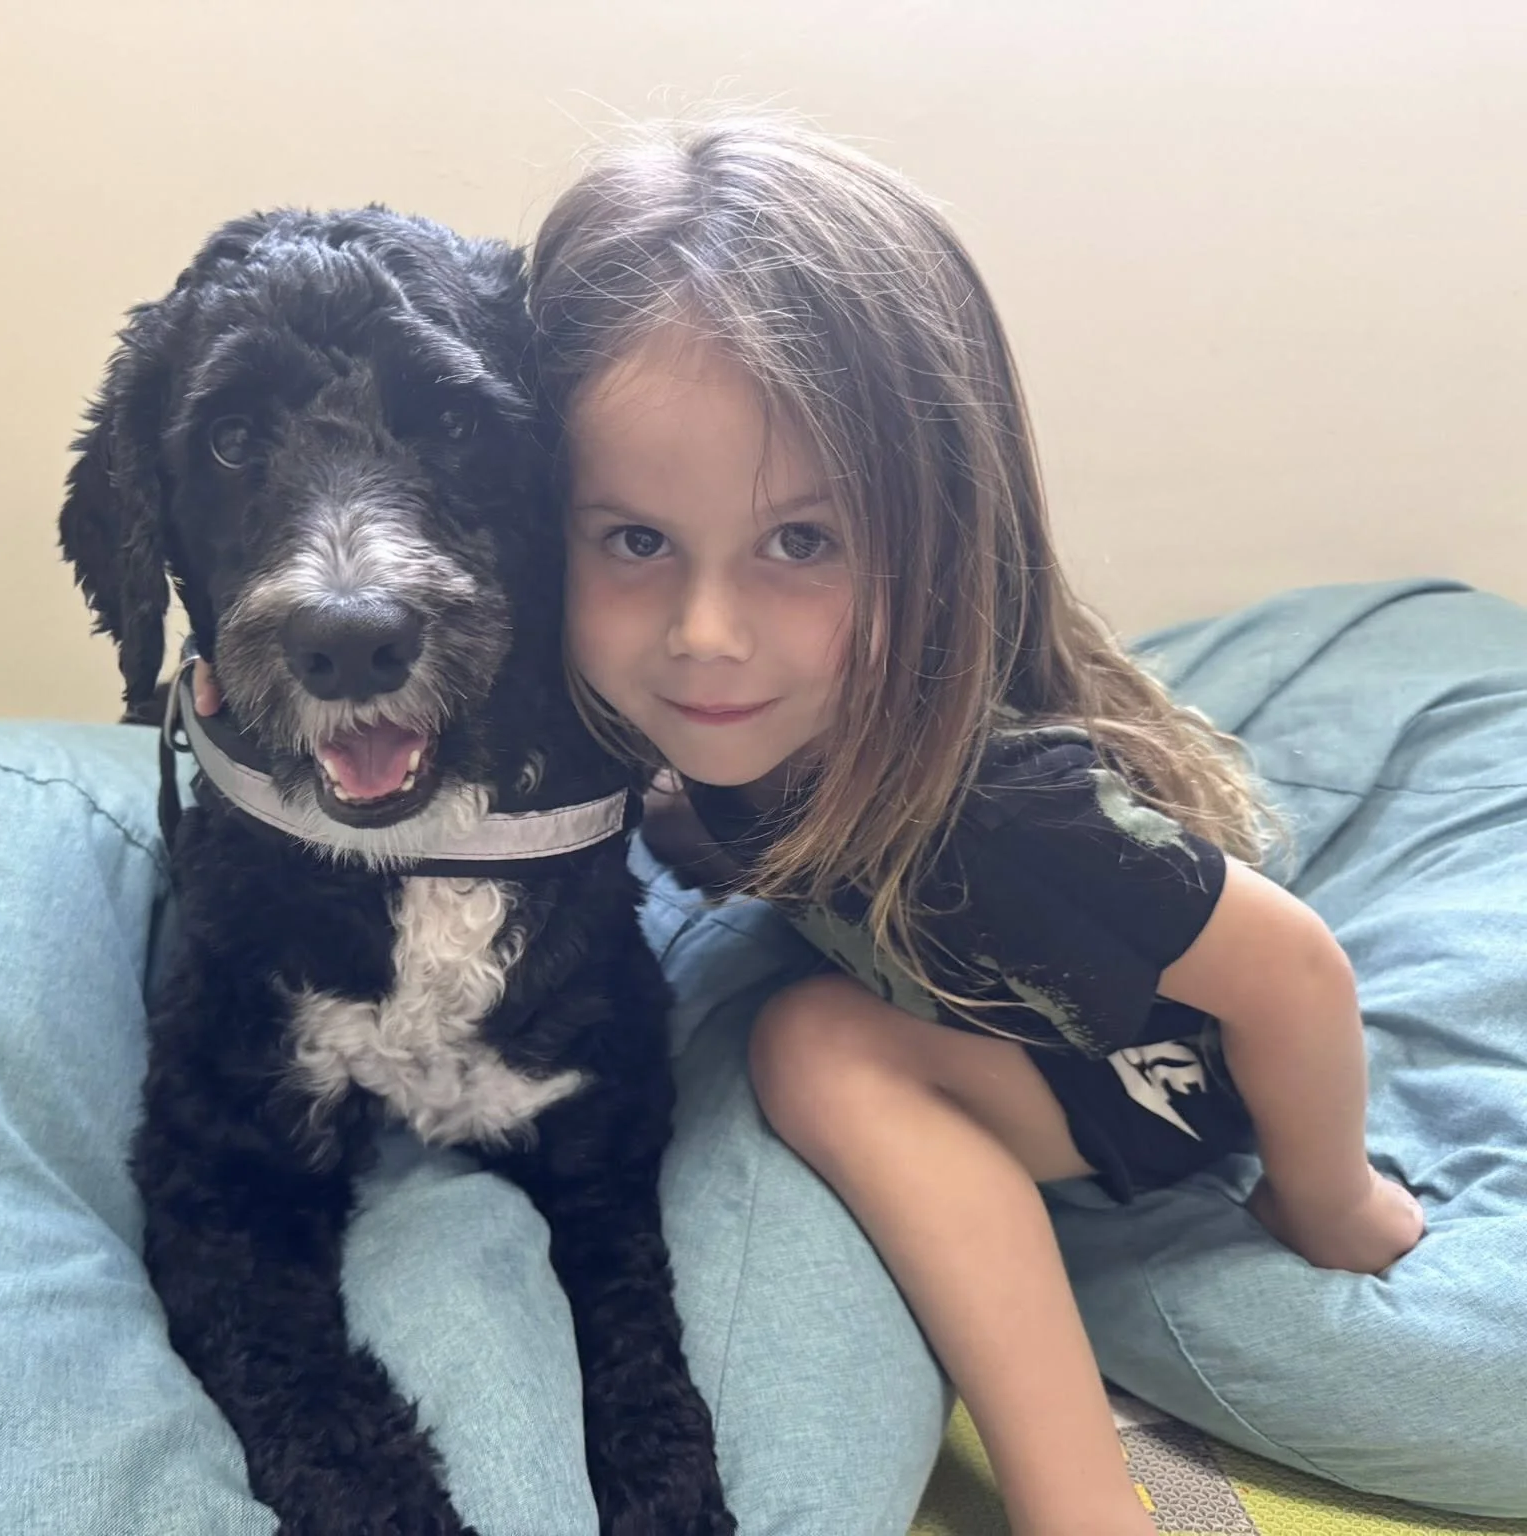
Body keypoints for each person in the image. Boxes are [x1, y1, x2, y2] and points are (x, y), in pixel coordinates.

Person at [524, 115, 1424, 1536]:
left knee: (811, 1044)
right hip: (1003, 976)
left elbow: (1294, 974)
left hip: (1150, 1074)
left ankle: (1084, 1503)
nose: (705, 637)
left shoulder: (1001, 828)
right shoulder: (733, 729)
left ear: (940, 527)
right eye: (635, 540)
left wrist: (1335, 1203)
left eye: (801, 542)